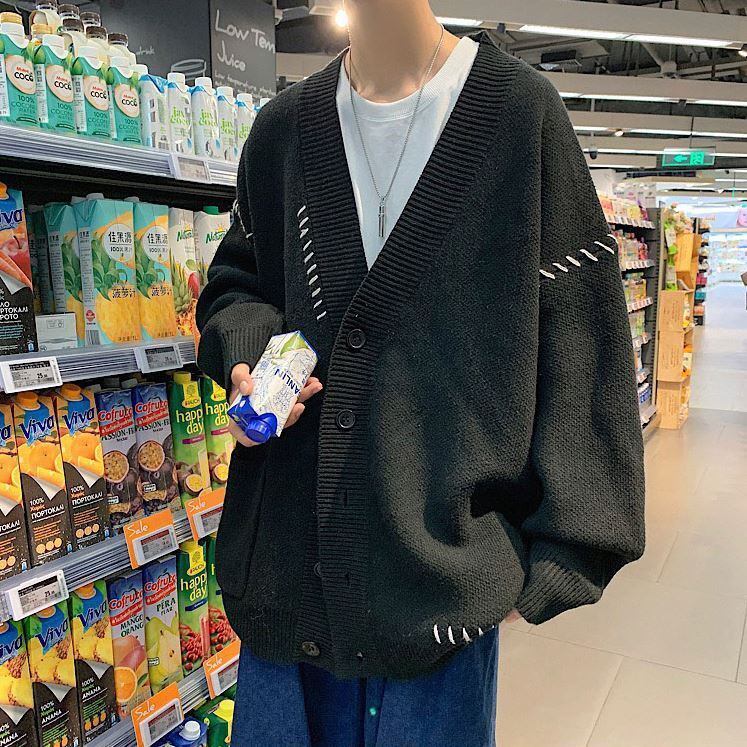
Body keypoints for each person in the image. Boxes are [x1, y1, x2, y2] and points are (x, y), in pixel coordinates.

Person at [196, 1, 646, 744]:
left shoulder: (519, 117)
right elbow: (235, 282)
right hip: (286, 578)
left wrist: (559, 556)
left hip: (441, 595)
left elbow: (581, 338)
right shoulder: (282, 130)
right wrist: (249, 351)